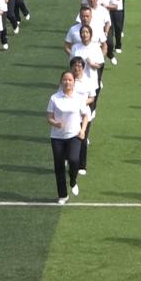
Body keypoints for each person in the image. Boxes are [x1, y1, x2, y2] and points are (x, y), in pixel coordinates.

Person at [47, 71, 91, 205]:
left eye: (70, 80)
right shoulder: (54, 98)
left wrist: (83, 130)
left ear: (73, 82)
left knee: (74, 159)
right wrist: (56, 123)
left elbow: (85, 116)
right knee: (59, 166)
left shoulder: (79, 98)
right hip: (57, 137)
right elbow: (49, 117)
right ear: (61, 82)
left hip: (74, 135)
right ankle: (63, 195)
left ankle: (72, 181)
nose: (67, 82)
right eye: (65, 80)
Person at [69, 57, 97, 176]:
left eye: (79, 66)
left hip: (84, 114)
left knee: (82, 138)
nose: (77, 68)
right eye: (75, 66)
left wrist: (82, 102)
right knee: (68, 137)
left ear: (83, 68)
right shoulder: (68, 80)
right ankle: (67, 158)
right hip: (69, 114)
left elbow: (92, 98)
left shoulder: (88, 81)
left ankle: (82, 165)